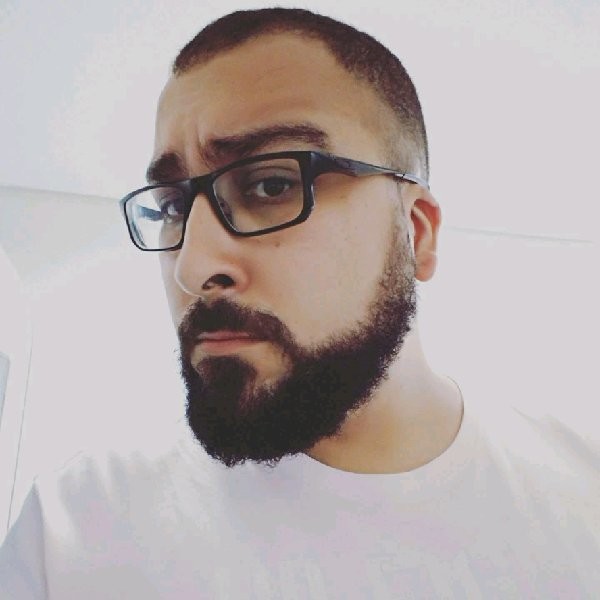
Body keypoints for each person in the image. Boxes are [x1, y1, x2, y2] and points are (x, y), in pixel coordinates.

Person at [1, 8, 598, 599]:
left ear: (415, 232)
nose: (192, 267)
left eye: (272, 185)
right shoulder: (70, 535)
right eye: (174, 207)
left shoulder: (582, 501)